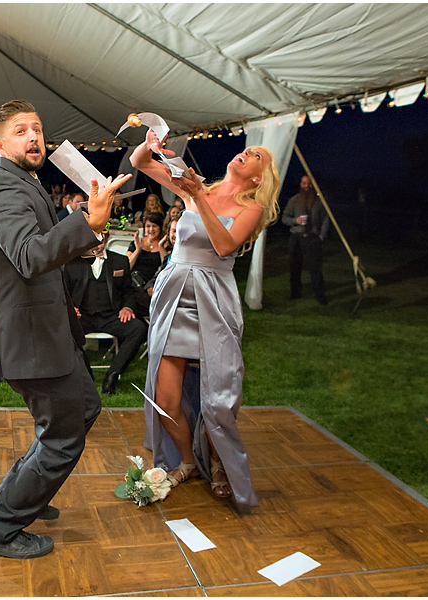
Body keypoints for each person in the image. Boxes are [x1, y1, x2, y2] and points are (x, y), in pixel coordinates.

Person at [0, 99, 130, 559]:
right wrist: (86, 222)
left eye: (37, 128)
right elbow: (29, 255)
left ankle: (30, 493)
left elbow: (41, 249)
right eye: (21, 130)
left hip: (50, 330)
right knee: (62, 438)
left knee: (82, 408)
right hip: (30, 336)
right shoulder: (2, 187)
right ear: (0, 143)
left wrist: (87, 230)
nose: (34, 136)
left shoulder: (25, 182)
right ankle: (0, 528)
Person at [131, 127, 279, 507]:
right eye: (247, 151)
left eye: (256, 156)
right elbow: (140, 163)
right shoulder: (198, 187)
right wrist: (152, 145)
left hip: (212, 301)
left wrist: (198, 196)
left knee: (216, 400)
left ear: (258, 178)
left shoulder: (252, 208)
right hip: (174, 295)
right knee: (165, 396)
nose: (246, 154)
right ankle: (186, 460)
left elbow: (225, 244)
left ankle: (217, 463)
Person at [64, 231, 147, 395]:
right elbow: (63, 291)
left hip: (111, 316)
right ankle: (86, 373)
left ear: (107, 240)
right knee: (63, 330)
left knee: (139, 328)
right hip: (83, 316)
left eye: (102, 240)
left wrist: (127, 308)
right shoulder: (73, 262)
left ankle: (113, 374)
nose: (98, 244)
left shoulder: (119, 261)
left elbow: (128, 291)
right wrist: (70, 308)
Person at [282, 175, 330, 305]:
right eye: (304, 183)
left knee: (315, 269)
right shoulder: (294, 200)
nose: (306, 186)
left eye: (309, 184)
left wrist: (321, 237)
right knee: (295, 267)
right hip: (296, 238)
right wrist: (295, 221)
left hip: (312, 239)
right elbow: (285, 218)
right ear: (300, 184)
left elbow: (326, 219)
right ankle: (295, 292)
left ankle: (320, 295)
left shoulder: (319, 202)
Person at [126, 211, 166, 317]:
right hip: (136, 286)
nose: (151, 230)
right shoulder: (137, 243)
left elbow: (166, 267)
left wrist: (161, 247)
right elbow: (126, 266)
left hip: (155, 287)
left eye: (154, 226)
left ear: (160, 227)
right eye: (148, 226)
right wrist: (138, 250)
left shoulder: (166, 245)